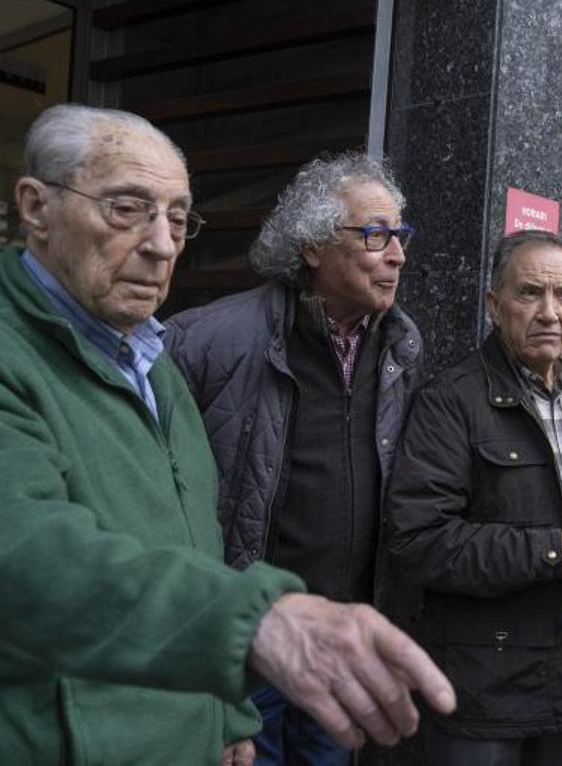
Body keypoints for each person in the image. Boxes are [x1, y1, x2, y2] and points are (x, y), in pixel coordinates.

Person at [0, 104, 453, 764]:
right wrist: (253, 628)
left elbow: (191, 537)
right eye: (127, 209)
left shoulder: (151, 361)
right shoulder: (197, 344)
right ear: (36, 207)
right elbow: (31, 552)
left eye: (179, 219)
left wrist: (223, 704)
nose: (160, 244)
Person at [165, 152, 423, 764]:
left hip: (343, 637)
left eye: (400, 236)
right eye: (375, 234)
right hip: (251, 640)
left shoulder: (401, 347)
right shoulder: (206, 340)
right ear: (312, 248)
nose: (397, 255)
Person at [387, 230, 562, 765]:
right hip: (484, 687)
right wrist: (552, 553)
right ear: (494, 304)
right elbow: (417, 540)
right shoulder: (451, 401)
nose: (550, 312)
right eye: (530, 293)